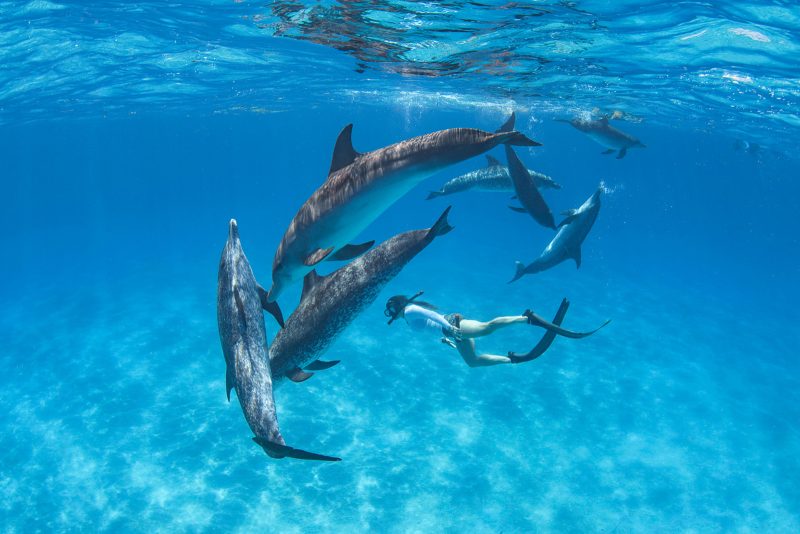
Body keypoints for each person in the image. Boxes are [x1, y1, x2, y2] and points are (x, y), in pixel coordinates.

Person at [384, 292, 607, 368]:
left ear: (396, 306)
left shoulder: (411, 310)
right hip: (451, 333)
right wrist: (450, 339)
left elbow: (433, 316)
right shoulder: (408, 315)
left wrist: (450, 327)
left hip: (454, 326)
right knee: (472, 362)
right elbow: (432, 325)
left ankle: (526, 318)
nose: (391, 314)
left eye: (390, 309)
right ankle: (513, 360)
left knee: (487, 328)